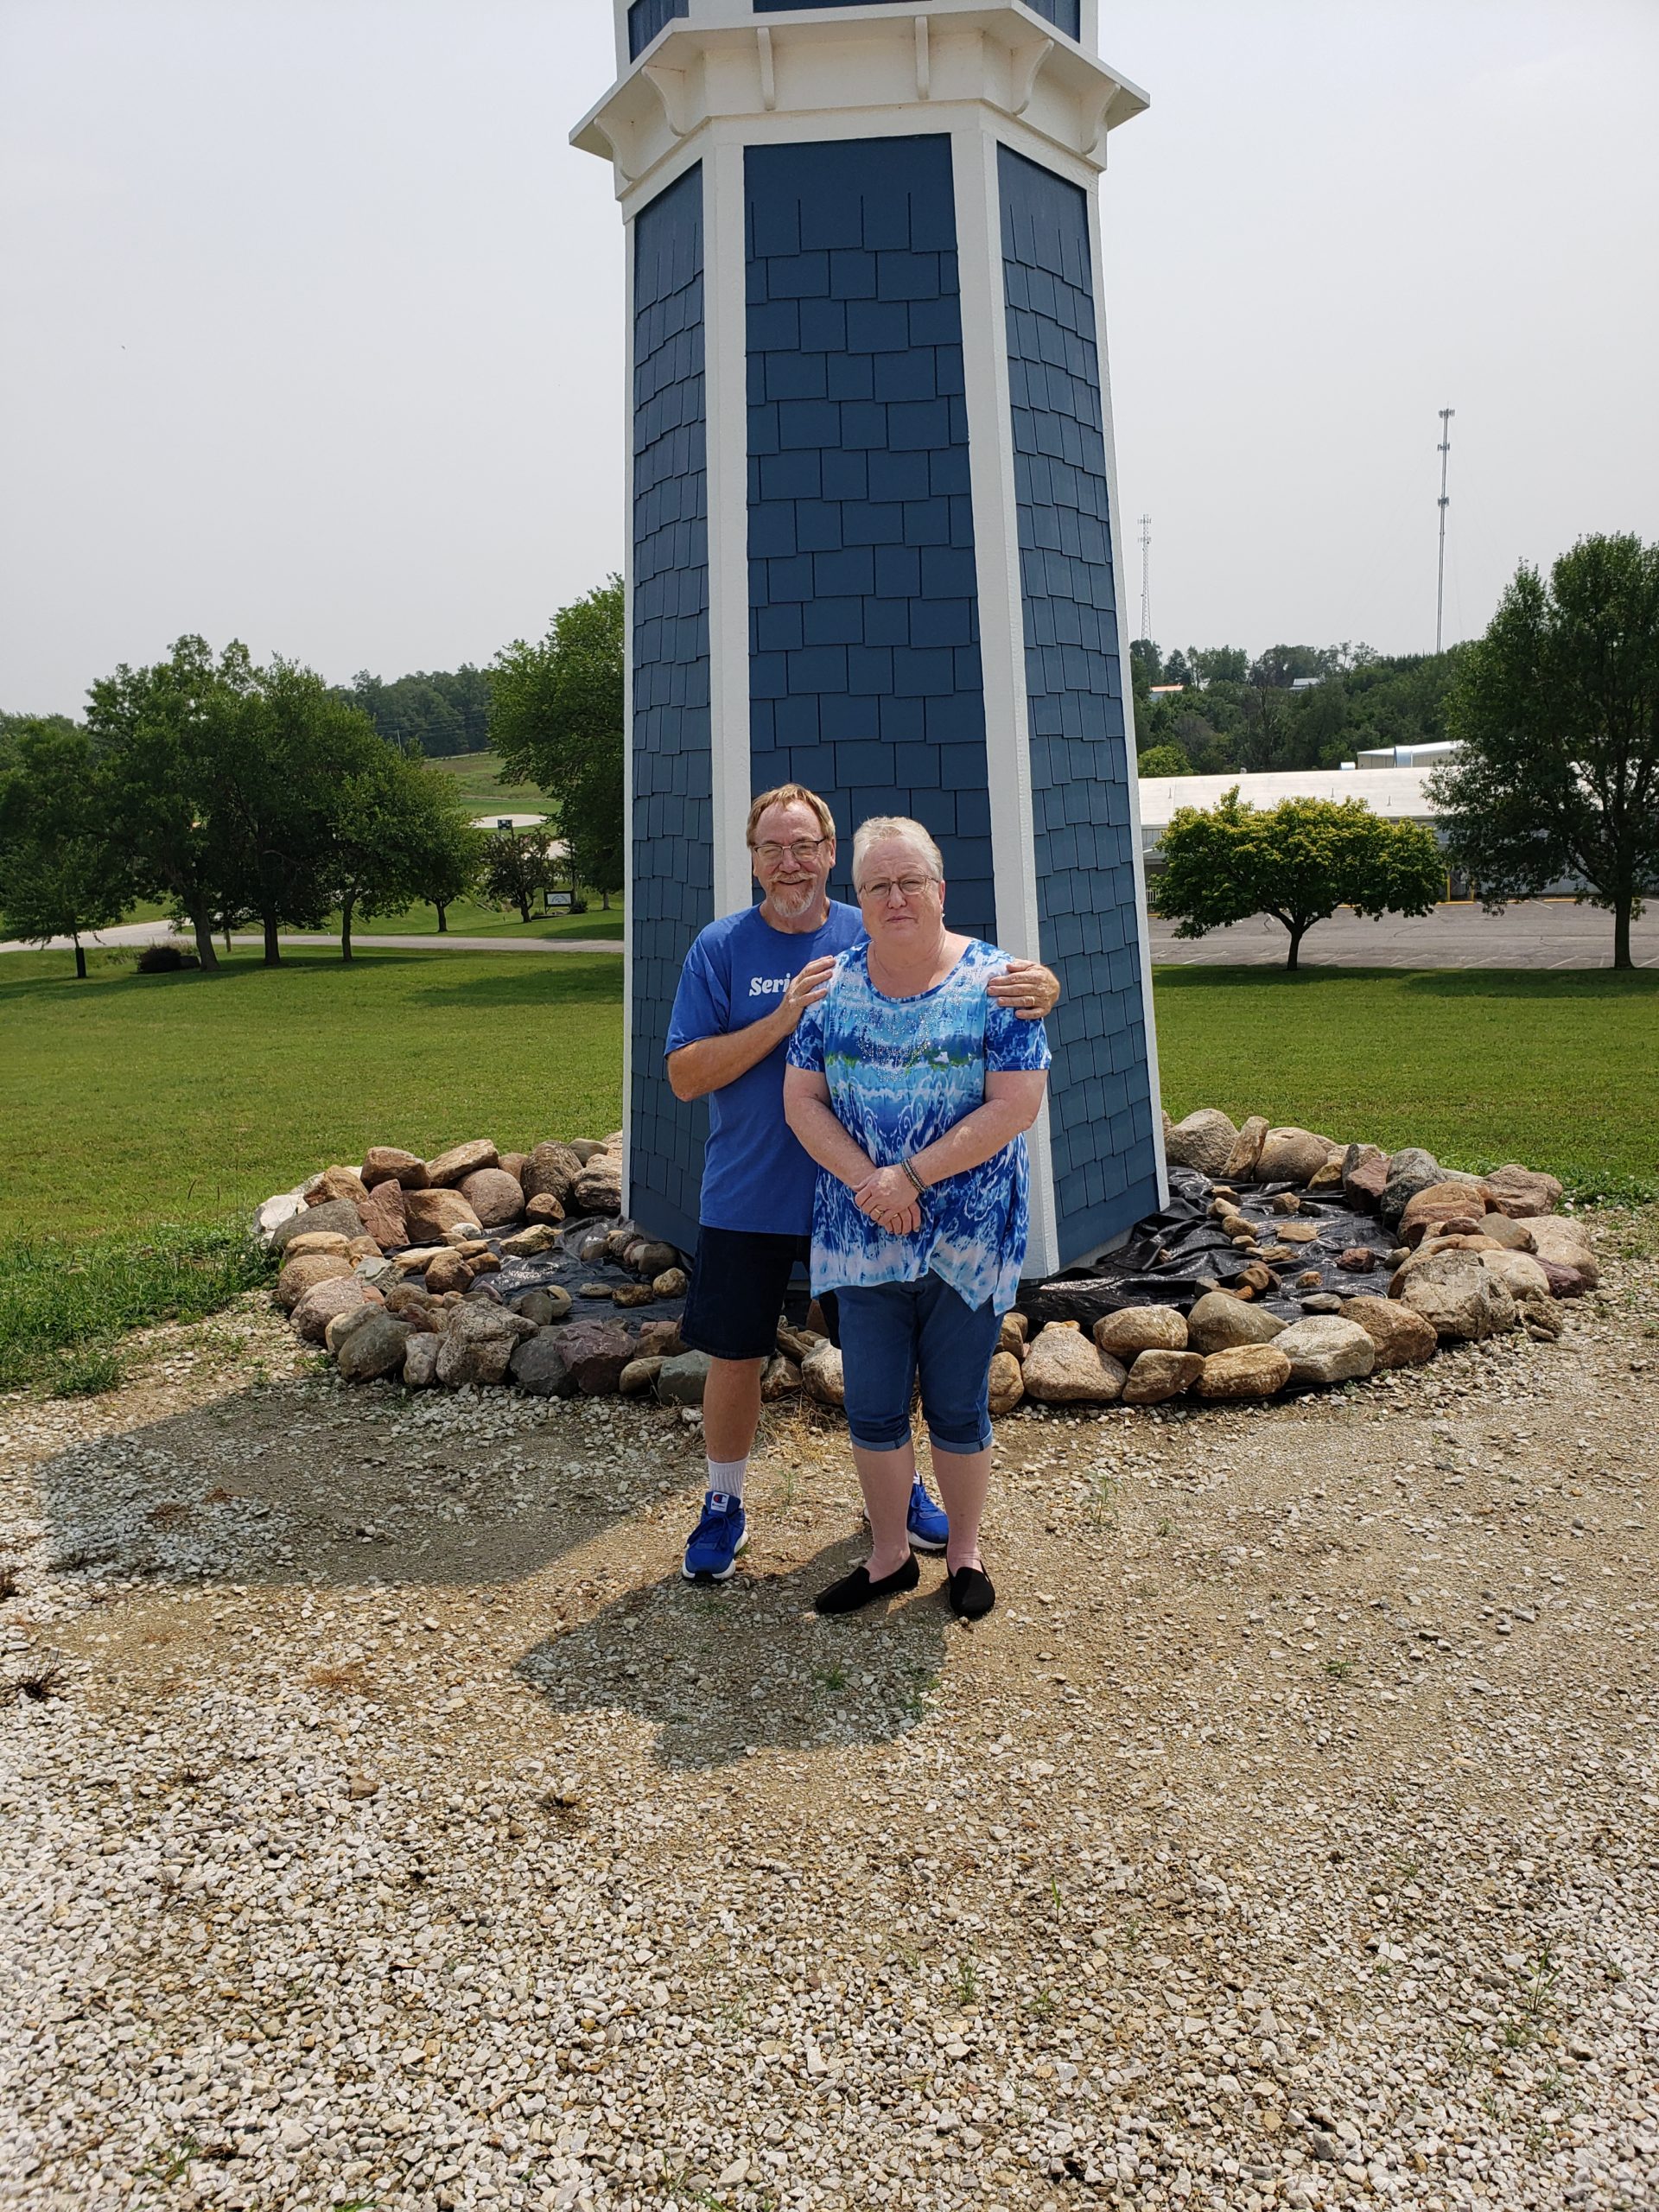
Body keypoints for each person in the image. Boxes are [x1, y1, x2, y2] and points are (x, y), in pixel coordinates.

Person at [664, 784, 1058, 1583]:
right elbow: (682, 1075)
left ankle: (903, 1501)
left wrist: (1042, 986)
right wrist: (780, 1021)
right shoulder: (721, 947)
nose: (789, 862)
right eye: (771, 848)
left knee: (878, 1361)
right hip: (754, 1192)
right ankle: (722, 1503)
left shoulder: (867, 921)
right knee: (737, 1355)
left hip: (865, 1208)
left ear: (831, 855)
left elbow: (965, 970)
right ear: (753, 858)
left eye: (804, 845)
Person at [781, 816, 1051, 1622]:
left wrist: (912, 1177)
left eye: (909, 882)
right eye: (876, 886)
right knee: (871, 1406)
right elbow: (802, 1101)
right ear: (857, 898)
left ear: (939, 888)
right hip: (860, 1237)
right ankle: (891, 1554)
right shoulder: (831, 986)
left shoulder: (999, 982)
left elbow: (1016, 1103)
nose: (894, 898)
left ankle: (963, 1553)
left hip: (965, 1243)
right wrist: (872, 1183)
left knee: (960, 1405)